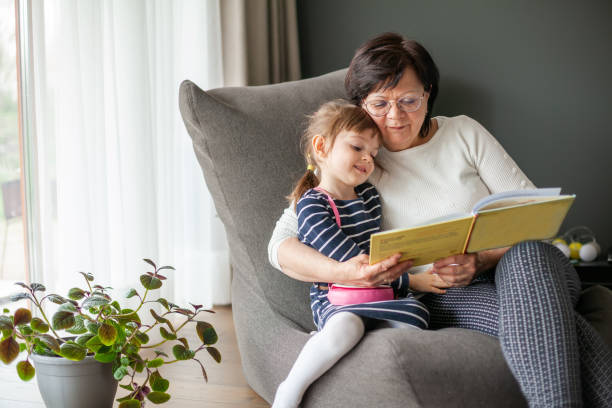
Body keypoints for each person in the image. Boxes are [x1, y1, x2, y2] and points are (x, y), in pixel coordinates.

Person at [268, 33, 612, 407]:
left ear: (428, 94)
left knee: (528, 257)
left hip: (528, 265)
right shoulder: (356, 164)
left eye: (409, 100)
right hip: (449, 293)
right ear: (361, 105)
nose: (395, 116)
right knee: (541, 323)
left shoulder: (464, 132)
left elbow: (534, 218)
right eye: (380, 103)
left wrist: (481, 259)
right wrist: (350, 273)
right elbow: (281, 248)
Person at [272, 100, 449, 408]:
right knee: (347, 326)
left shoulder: (369, 196)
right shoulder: (313, 204)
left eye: (374, 153)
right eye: (357, 148)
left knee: (417, 316)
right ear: (322, 148)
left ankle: (362, 353)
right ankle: (290, 389)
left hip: (379, 291)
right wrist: (413, 281)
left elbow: (380, 249)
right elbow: (353, 263)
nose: (367, 158)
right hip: (339, 293)